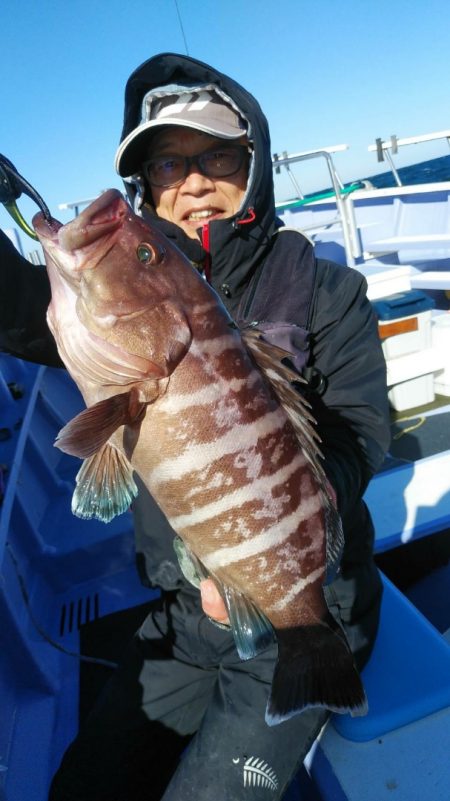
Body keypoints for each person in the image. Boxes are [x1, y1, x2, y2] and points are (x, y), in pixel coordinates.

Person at [0, 53, 390, 800]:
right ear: (145, 190)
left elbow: (362, 430)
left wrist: (278, 521)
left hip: (313, 600)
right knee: (84, 787)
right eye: (168, 166)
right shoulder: (117, 323)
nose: (194, 180)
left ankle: (315, 658)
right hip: (184, 616)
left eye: (217, 156)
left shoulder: (330, 290)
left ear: (256, 164)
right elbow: (18, 312)